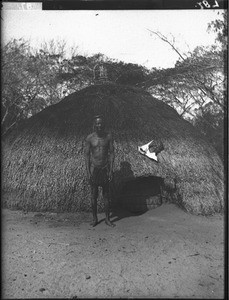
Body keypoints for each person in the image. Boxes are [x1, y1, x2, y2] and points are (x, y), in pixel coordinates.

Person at [84, 115, 115, 227]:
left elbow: (111, 153)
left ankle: (107, 219)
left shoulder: (108, 137)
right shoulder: (90, 138)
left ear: (103, 124)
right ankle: (95, 219)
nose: (99, 125)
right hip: (94, 169)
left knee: (106, 196)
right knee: (93, 195)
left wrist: (111, 170)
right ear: (94, 125)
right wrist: (88, 172)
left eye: (101, 123)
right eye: (97, 123)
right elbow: (87, 156)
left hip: (105, 168)